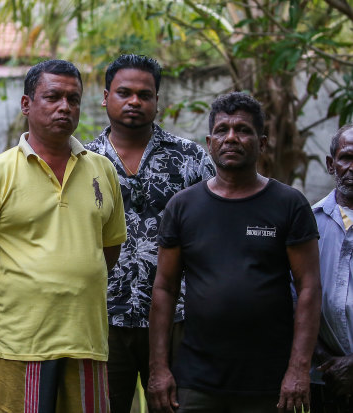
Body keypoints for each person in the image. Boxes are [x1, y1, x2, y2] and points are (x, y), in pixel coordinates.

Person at [0, 59, 127, 413]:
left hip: (85, 340)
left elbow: (108, 248)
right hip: (21, 342)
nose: (65, 107)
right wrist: (0, 299)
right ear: (26, 104)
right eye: (53, 97)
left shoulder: (102, 169)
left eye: (73, 99)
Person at [147, 92, 321, 413]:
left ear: (262, 142)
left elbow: (309, 288)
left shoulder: (289, 204)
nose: (231, 137)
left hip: (270, 380)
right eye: (223, 130)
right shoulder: (183, 206)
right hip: (197, 379)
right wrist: (159, 368)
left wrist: (298, 369)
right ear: (209, 142)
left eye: (243, 129)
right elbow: (165, 288)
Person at [85, 54, 215, 413]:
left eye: (145, 94)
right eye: (124, 92)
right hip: (103, 316)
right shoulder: (83, 161)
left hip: (178, 316)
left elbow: (212, 228)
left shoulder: (190, 158)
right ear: (105, 96)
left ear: (157, 100)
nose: (134, 101)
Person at [311, 123, 353, 412]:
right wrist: (330, 362)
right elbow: (292, 298)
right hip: (328, 378)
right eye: (346, 158)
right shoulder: (309, 223)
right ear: (331, 164)